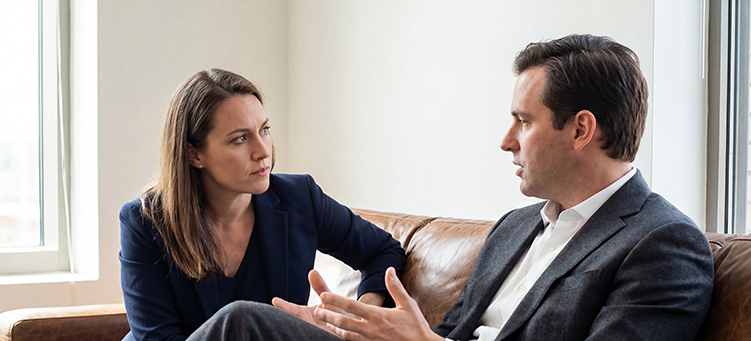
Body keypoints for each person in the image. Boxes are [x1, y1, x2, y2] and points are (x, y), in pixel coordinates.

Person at [185, 34, 715, 341]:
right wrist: (359, 328)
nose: (506, 141)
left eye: (523, 122)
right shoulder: (515, 229)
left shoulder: (662, 245)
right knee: (250, 327)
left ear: (580, 129)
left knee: (240, 324)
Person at [118, 68, 406, 340]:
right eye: (240, 139)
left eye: (264, 130)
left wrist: (356, 315)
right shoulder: (144, 222)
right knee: (240, 318)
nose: (263, 150)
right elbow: (157, 337)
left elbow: (383, 252)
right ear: (194, 154)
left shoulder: (299, 197)